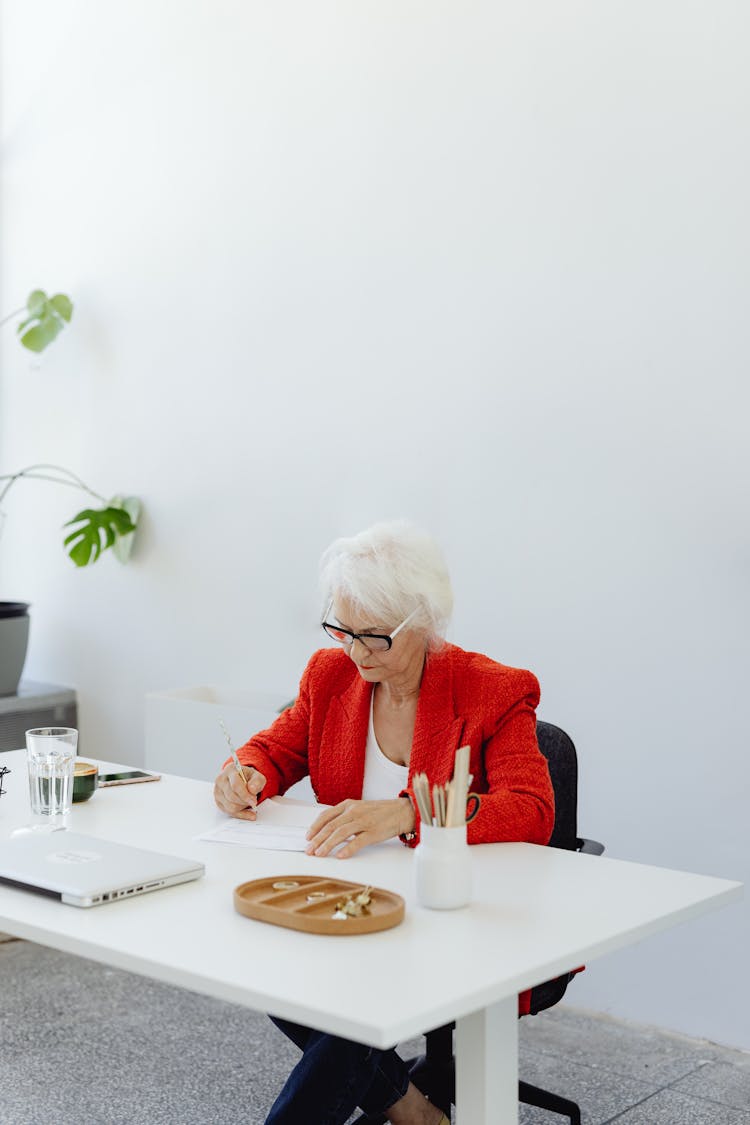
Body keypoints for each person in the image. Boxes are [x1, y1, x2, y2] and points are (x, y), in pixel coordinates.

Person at [213, 521, 554, 1125]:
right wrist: (247, 773)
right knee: (267, 962)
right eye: (341, 630)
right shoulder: (331, 675)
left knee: (349, 998)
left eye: (375, 637)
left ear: (424, 621)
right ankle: (414, 1111)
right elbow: (274, 748)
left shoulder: (492, 690)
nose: (356, 651)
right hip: (351, 902)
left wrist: (406, 813)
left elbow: (531, 808)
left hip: (452, 912)